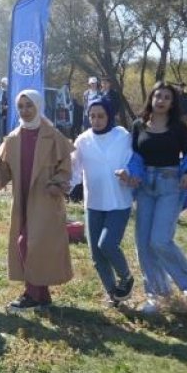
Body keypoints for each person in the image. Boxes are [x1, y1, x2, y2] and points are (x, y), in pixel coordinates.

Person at [0, 90, 74, 312]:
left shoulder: (54, 137)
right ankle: (41, 296)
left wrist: (58, 183)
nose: (25, 110)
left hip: (45, 201)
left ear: (38, 106)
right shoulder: (13, 138)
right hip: (22, 202)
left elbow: (65, 169)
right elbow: (0, 175)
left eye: (29, 105)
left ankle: (32, 295)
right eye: (21, 106)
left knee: (32, 244)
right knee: (28, 244)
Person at [126, 83, 187, 313]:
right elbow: (135, 156)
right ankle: (157, 295)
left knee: (160, 239)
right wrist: (132, 174)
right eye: (157, 96)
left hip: (170, 185)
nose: (161, 100)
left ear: (172, 102)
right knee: (143, 243)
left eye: (167, 97)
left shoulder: (179, 128)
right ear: (151, 98)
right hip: (145, 188)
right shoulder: (138, 125)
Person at [72, 96, 137, 307]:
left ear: (110, 116)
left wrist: (128, 173)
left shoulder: (122, 136)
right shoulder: (82, 140)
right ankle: (114, 294)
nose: (96, 120)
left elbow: (133, 161)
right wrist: (64, 184)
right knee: (96, 254)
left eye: (101, 116)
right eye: (92, 116)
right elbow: (74, 169)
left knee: (107, 244)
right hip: (94, 203)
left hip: (119, 201)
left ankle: (126, 277)